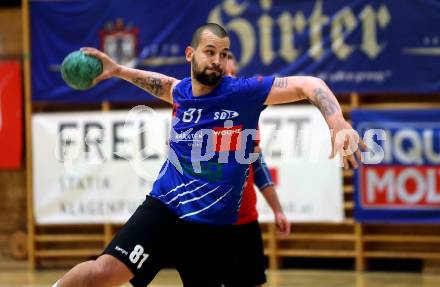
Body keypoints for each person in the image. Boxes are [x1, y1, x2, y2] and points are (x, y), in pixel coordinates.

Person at [52, 23, 364, 287]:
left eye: (223, 54)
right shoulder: (181, 93)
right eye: (209, 51)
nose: (217, 60)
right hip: (164, 209)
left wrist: (337, 122)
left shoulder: (243, 92)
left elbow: (309, 84)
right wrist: (117, 70)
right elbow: (159, 84)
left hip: (211, 228)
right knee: (103, 272)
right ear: (191, 54)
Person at [226, 52, 290, 287]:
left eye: (234, 74)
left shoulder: (247, 115)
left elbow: (258, 167)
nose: (231, 79)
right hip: (210, 223)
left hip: (245, 221)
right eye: (226, 75)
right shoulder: (198, 114)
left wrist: (278, 210)